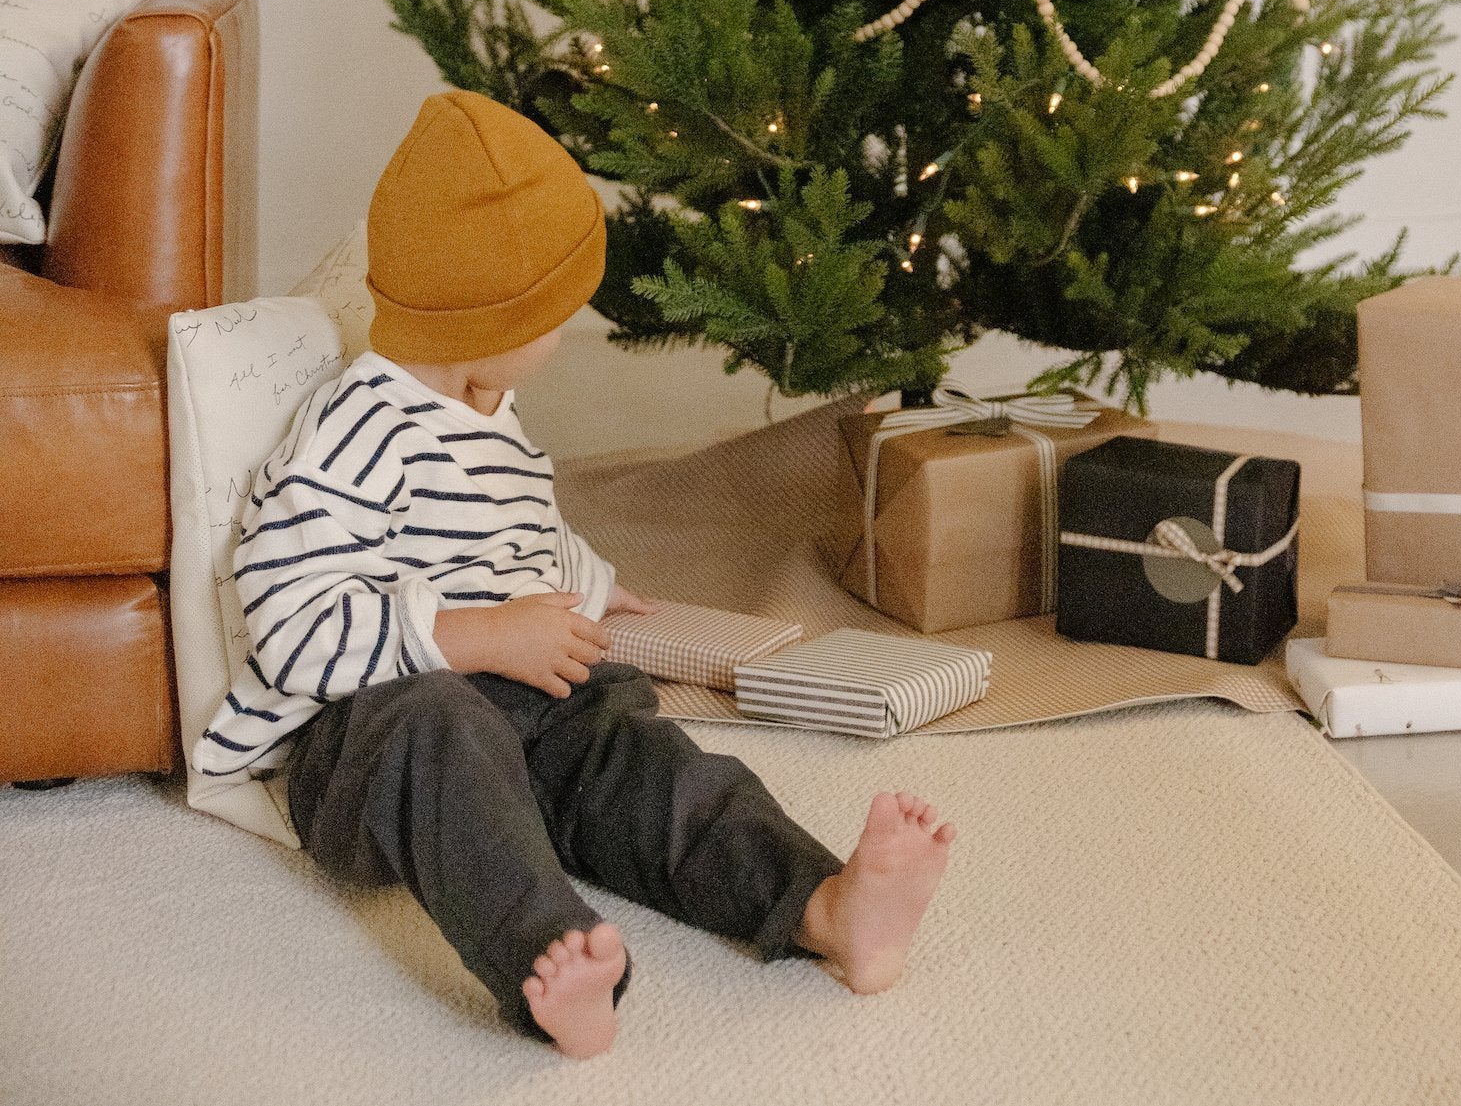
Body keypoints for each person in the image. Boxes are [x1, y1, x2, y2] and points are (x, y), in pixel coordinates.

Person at [193, 90, 955, 1058]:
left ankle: (822, 905)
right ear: (485, 325)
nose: (561, 336)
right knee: (439, 728)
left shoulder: (486, 408)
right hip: (370, 740)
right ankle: (545, 958)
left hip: (524, 707)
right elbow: (292, 627)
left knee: (648, 765)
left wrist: (591, 585)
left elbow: (521, 530)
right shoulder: (351, 435)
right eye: (551, 316)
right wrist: (473, 638)